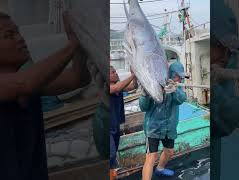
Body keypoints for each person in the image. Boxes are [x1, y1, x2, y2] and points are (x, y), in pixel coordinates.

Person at [0, 11, 91, 180]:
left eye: (18, 32)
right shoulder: (25, 83)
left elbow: (78, 78)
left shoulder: (30, 86)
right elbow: (25, 83)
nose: (20, 38)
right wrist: (73, 45)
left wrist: (78, 41)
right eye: (9, 35)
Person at [211, 1, 239, 179]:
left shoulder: (222, 79)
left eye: (230, 50)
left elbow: (228, 122)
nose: (226, 56)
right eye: (220, 46)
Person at [140, 60, 187, 180]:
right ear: (171, 74)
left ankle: (160, 169)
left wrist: (175, 91)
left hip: (169, 127)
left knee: (169, 152)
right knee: (151, 156)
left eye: (181, 77)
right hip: (153, 127)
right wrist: (145, 94)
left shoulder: (178, 86)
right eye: (177, 76)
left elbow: (181, 99)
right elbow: (143, 107)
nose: (179, 79)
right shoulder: (153, 83)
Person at [109, 65, 138, 180]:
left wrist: (134, 77)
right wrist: (133, 75)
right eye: (112, 72)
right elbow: (115, 88)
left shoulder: (119, 86)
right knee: (110, 154)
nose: (116, 73)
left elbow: (133, 87)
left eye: (115, 71)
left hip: (115, 125)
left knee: (113, 153)